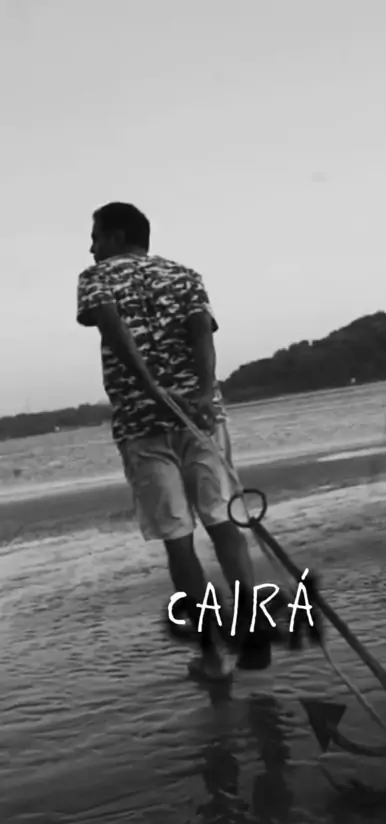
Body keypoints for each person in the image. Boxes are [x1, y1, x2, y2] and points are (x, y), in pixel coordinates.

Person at [76, 201, 271, 681]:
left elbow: (111, 326)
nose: (91, 246)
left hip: (143, 425)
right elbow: (202, 332)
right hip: (201, 419)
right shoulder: (184, 275)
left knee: (178, 541)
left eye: (96, 236)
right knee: (223, 523)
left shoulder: (96, 276)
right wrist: (203, 391)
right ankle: (252, 632)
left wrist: (150, 388)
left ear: (116, 237)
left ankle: (212, 656)